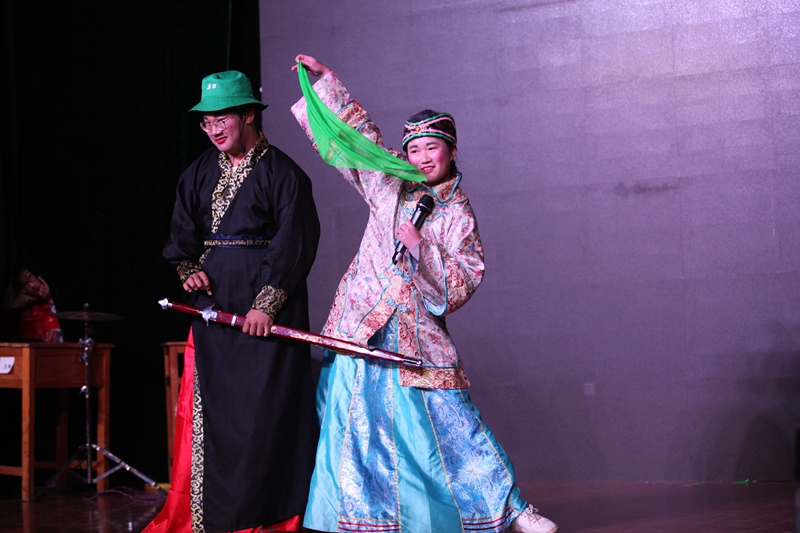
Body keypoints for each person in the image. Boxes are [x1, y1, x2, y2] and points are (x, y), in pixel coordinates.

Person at [290, 55, 558, 533]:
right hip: (361, 326)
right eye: (414, 149)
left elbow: (464, 279)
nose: (422, 158)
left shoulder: (459, 214)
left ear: (451, 151)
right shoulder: (388, 185)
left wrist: (421, 248)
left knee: (457, 428)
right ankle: (357, 520)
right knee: (356, 431)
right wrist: (325, 81)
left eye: (432, 148)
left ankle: (511, 509)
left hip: (418, 338)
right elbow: (355, 141)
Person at [147, 70, 320, 533]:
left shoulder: (284, 174)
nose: (213, 129)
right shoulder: (198, 172)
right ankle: (217, 517)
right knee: (219, 416)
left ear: (248, 116)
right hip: (215, 312)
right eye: (206, 122)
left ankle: (268, 517)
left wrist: (267, 303)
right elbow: (182, 238)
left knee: (263, 415)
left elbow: (295, 242)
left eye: (221, 119)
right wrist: (189, 271)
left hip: (264, 312)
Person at [1, 263, 63, 342]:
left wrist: (50, 299)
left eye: (30, 276)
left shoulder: (61, 293)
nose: (32, 285)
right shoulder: (26, 311)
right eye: (24, 285)